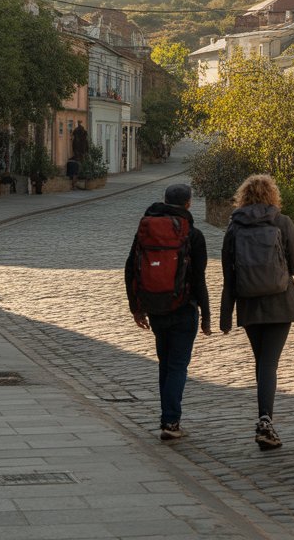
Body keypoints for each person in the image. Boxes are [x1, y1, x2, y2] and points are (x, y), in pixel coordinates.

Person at [221, 174, 294, 451]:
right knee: (269, 363)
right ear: (273, 195)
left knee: (261, 362)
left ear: (243, 196)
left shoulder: (234, 227)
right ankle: (265, 421)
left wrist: (225, 316)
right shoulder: (282, 222)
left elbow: (229, 276)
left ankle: (264, 419)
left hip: (249, 303)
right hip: (280, 301)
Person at [125, 183, 210, 442]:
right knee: (177, 366)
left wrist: (136, 308)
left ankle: (167, 419)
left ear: (164, 200)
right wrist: (206, 316)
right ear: (188, 203)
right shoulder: (193, 235)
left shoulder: (146, 231)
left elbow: (131, 270)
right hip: (184, 308)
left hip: (156, 308)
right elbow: (199, 280)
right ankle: (171, 422)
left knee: (165, 364)